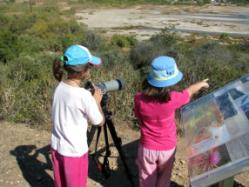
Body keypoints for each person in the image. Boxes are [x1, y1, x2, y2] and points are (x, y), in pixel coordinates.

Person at [134, 56, 209, 187]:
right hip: (167, 148)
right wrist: (201, 84)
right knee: (164, 177)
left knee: (146, 177)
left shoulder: (139, 99)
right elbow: (189, 91)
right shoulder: (173, 99)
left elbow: (140, 120)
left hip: (147, 147)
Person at [51, 44, 105, 187]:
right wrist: (97, 102)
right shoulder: (84, 95)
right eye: (90, 66)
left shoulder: (59, 87)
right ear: (84, 71)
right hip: (74, 153)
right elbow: (99, 121)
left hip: (57, 148)